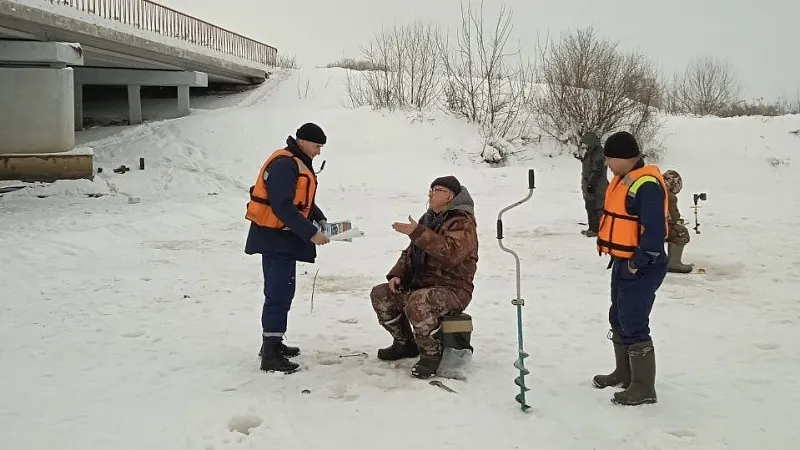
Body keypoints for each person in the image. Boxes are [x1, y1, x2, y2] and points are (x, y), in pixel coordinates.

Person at [369, 176, 478, 379]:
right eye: (430, 189)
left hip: (453, 289)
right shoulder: (428, 219)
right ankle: (405, 344)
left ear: (450, 196)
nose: (430, 193)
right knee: (381, 294)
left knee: (419, 301)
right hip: (422, 285)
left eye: (436, 190)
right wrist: (397, 274)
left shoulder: (462, 222)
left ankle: (431, 355)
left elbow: (450, 253)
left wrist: (418, 232)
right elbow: (411, 252)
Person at [244, 122, 331, 374]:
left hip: (281, 237)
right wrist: (311, 233)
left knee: (282, 291)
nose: (318, 152)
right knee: (278, 292)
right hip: (274, 238)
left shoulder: (296, 161)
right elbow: (282, 206)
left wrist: (319, 217)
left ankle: (273, 342)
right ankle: (270, 353)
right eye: (316, 146)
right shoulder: (285, 164)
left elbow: (301, 200)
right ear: (303, 141)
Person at [592, 131, 668, 406]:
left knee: (634, 322)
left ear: (625, 157)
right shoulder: (623, 179)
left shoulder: (645, 184)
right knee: (618, 317)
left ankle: (643, 387)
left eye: (611, 158)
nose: (608, 164)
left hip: (641, 265)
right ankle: (624, 373)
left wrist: (638, 262)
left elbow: (654, 232)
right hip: (623, 261)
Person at [575, 132, 609, 237]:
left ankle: (599, 229)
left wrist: (591, 184)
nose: (585, 147)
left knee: (597, 207)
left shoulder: (599, 154)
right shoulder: (591, 153)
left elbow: (597, 171)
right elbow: (589, 166)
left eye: (586, 144)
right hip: (589, 183)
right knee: (590, 206)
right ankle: (593, 228)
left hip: (597, 185)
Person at [662, 170, 694, 273]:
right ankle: (673, 263)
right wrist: (677, 221)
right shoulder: (669, 197)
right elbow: (673, 217)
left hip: (639, 226)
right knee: (681, 232)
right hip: (654, 229)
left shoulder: (653, 187)